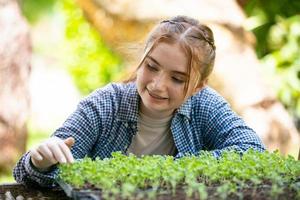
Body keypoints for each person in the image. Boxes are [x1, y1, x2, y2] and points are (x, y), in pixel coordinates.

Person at [13, 15, 265, 188]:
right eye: (151, 67)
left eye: (177, 79)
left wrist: (168, 170)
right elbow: (32, 174)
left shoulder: (205, 105)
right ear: (142, 59)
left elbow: (252, 150)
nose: (157, 85)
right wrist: (40, 162)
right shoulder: (104, 105)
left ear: (198, 86)